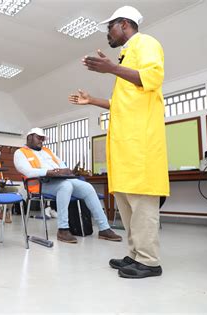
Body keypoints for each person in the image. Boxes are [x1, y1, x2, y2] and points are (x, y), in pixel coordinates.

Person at [69, 6, 168, 278]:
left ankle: (149, 261)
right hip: (125, 147)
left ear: (125, 24)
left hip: (141, 144)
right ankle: (136, 255)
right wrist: (92, 101)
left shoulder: (146, 43)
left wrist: (113, 68)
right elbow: (119, 103)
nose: (107, 33)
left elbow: (153, 77)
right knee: (127, 204)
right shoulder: (125, 61)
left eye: (109, 27)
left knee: (142, 204)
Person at [14, 128, 122, 244]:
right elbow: (27, 171)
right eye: (39, 138)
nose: (41, 141)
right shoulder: (20, 153)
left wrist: (67, 171)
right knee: (65, 186)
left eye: (42, 138)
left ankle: (104, 228)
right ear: (30, 137)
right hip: (40, 184)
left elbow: (61, 164)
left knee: (87, 187)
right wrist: (49, 172)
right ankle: (63, 229)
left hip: (60, 180)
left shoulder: (48, 151)